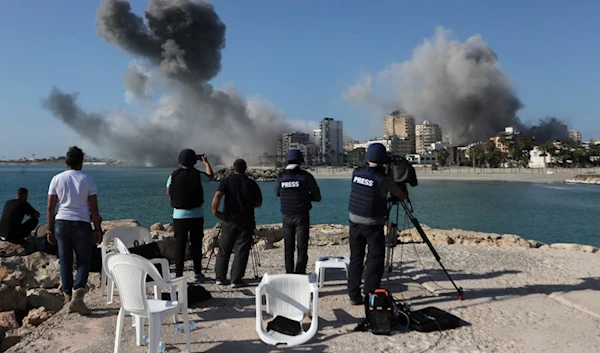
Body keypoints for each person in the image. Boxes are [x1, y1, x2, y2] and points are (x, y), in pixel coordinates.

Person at [347, 143, 407, 305]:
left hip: (354, 221)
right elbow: (400, 195)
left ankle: (353, 295)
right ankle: (370, 294)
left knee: (356, 258)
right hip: (372, 225)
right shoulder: (382, 179)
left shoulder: (356, 172)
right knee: (375, 259)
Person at [46, 146, 103, 315]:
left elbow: (50, 208)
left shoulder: (56, 179)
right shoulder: (88, 180)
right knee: (84, 260)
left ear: (66, 162)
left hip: (61, 222)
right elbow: (93, 209)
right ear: (82, 163)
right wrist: (97, 228)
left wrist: (49, 230)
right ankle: (78, 296)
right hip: (81, 224)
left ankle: (68, 299)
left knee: (65, 261)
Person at [211, 159, 262, 288]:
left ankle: (220, 278)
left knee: (224, 250)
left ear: (234, 168)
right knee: (241, 251)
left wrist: (215, 212)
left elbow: (217, 196)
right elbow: (259, 203)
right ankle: (236, 280)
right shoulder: (251, 183)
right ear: (245, 169)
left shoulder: (226, 181)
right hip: (246, 221)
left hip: (228, 220)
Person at [166, 148, 213, 281]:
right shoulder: (197, 174)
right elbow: (211, 177)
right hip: (196, 215)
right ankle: (197, 273)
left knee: (180, 246)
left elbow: (168, 192)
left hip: (179, 217)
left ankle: (179, 274)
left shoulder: (173, 175)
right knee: (196, 245)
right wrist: (206, 163)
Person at [274, 149, 321, 274]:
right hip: (301, 215)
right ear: (301, 161)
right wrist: (304, 196)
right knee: (302, 246)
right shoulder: (305, 176)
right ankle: (300, 272)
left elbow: (277, 193)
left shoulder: (281, 176)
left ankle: (289, 272)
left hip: (286, 215)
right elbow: (317, 197)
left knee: (288, 247)